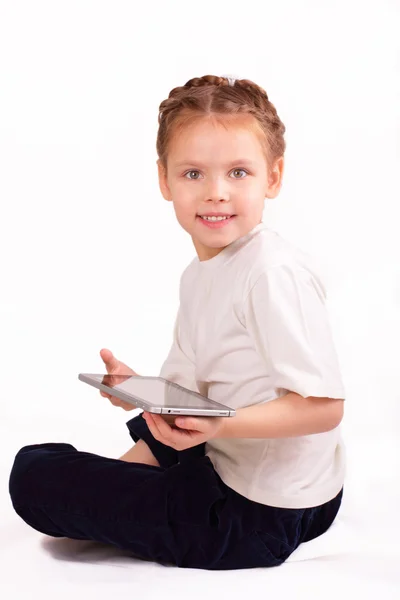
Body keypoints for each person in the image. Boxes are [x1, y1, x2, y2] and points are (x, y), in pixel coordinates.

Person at [9, 74, 346, 570]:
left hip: (257, 515)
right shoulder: (200, 274)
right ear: (164, 179)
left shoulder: (273, 273)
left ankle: (123, 494)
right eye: (193, 174)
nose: (215, 193)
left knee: (32, 473)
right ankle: (124, 488)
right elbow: (195, 389)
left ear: (272, 177)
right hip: (239, 466)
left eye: (238, 173)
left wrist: (215, 424)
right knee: (158, 419)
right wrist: (139, 388)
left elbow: (323, 409)